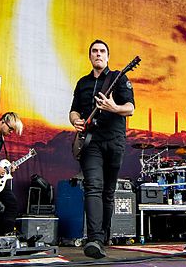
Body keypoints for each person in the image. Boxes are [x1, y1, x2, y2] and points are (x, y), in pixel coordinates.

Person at [69, 39, 135, 259]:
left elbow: (130, 108)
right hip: (91, 142)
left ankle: (104, 235)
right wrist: (75, 121)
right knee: (93, 187)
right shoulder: (82, 83)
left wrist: (113, 107)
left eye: (102, 51)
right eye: (94, 51)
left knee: (108, 192)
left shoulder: (118, 78)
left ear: (107, 56)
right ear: (90, 56)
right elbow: (74, 111)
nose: (98, 54)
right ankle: (95, 239)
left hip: (114, 140)